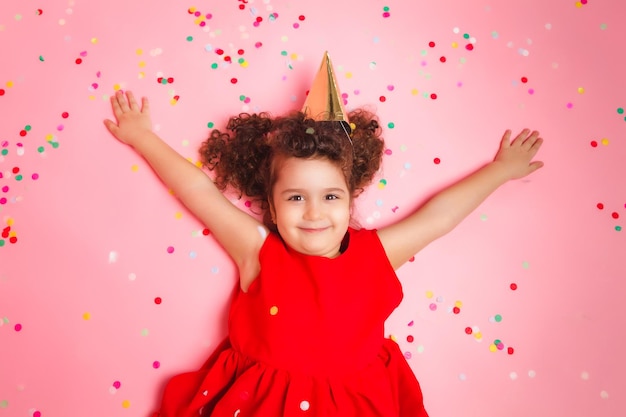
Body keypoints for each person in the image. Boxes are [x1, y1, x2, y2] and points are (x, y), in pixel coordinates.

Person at [104, 53, 543, 417]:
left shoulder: (377, 253)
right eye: (296, 198)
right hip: (262, 403)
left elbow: (440, 216)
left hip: (357, 403)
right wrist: (143, 137)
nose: (314, 212)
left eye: (330, 197)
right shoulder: (258, 251)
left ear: (350, 201)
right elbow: (199, 191)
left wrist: (500, 171)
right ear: (271, 205)